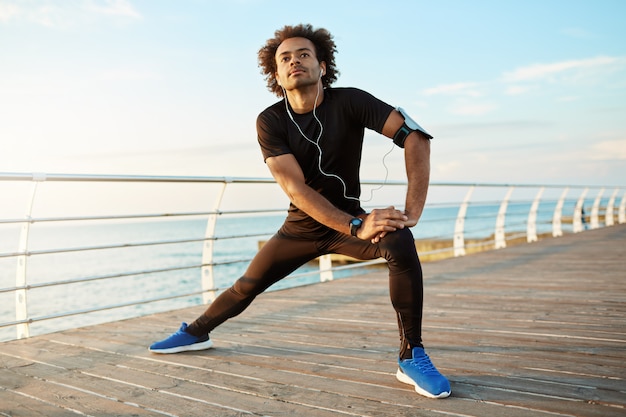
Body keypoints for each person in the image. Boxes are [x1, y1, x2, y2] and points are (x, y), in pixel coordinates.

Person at [149, 23, 451, 399]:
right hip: (303, 228)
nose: (295, 61)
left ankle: (412, 355)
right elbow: (295, 187)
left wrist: (412, 212)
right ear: (276, 75)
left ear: (322, 65)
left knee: (400, 243)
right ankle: (196, 331)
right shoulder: (270, 121)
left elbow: (416, 137)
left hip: (349, 224)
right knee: (246, 286)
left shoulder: (352, 101)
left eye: (303, 54)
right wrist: (356, 224)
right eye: (285, 58)